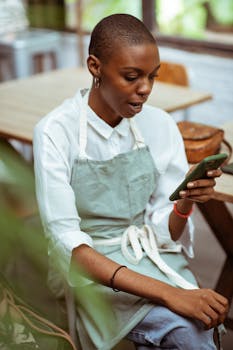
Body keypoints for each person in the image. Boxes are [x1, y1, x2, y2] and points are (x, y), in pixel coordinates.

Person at [33, 14, 228, 350]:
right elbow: (72, 250)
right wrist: (170, 293)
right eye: (132, 76)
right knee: (187, 329)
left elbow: (164, 233)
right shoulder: (55, 132)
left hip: (150, 255)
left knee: (195, 323)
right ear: (95, 66)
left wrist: (184, 203)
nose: (146, 89)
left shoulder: (160, 125)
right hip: (92, 271)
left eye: (152, 76)